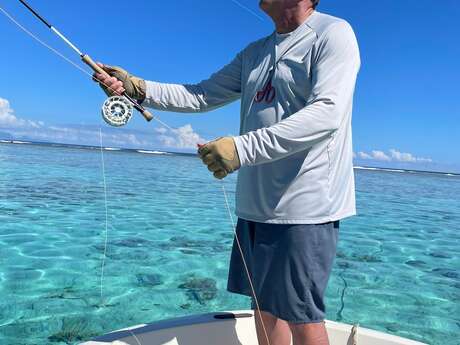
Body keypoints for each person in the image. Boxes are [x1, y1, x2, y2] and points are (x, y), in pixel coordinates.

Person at [95, 1, 360, 344]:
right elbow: (201, 94)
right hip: (255, 205)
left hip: (305, 206)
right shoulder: (256, 52)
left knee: (302, 316)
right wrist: (137, 88)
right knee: (263, 308)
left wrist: (240, 149)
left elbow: (328, 113)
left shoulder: (333, 33)